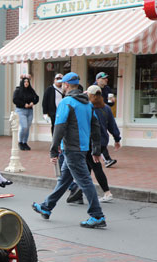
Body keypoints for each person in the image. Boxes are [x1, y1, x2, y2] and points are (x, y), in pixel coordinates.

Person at [32, 72, 106, 229]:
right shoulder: (87, 103)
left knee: (85, 181)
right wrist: (96, 149)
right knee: (64, 180)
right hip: (81, 148)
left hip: (72, 148)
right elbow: (96, 127)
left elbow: (59, 127)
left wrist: (53, 150)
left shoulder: (66, 102)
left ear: (65, 85)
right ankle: (46, 206)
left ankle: (97, 215)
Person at [12, 74, 39, 150]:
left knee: (28, 127)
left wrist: (32, 102)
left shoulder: (31, 90)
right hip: (21, 110)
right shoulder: (18, 90)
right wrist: (24, 104)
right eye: (25, 82)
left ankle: (25, 142)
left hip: (30, 111)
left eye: (27, 82)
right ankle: (20, 142)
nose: (26, 83)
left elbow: (37, 98)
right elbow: (15, 100)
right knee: (24, 126)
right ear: (22, 82)